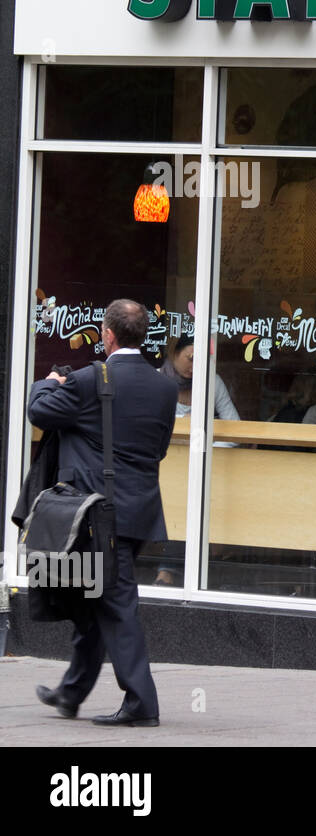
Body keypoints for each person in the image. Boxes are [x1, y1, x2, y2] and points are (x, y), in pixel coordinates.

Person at [29, 299, 178, 727]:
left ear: (107, 334)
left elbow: (38, 412)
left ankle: (141, 702)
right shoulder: (165, 387)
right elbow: (160, 449)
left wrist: (50, 381)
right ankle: (71, 692)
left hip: (97, 513)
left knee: (115, 603)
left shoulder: (92, 379)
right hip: (139, 510)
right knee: (94, 597)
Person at [153, 334, 241, 586]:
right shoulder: (158, 380)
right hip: (163, 465)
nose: (194, 367)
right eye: (190, 358)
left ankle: (170, 573)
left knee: (191, 507)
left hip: (200, 468)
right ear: (174, 354)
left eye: (201, 361)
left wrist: (207, 449)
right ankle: (176, 573)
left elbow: (235, 429)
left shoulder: (211, 383)